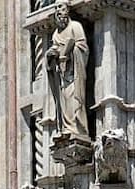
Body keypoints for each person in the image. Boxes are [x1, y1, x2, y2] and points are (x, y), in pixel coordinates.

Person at [46, 1, 89, 140]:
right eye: (56, 9)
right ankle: (66, 128)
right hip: (62, 74)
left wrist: (70, 52)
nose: (58, 11)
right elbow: (54, 50)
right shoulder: (55, 34)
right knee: (64, 101)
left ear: (67, 9)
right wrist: (51, 55)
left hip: (74, 72)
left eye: (61, 8)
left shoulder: (75, 27)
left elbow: (82, 47)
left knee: (75, 99)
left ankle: (77, 129)